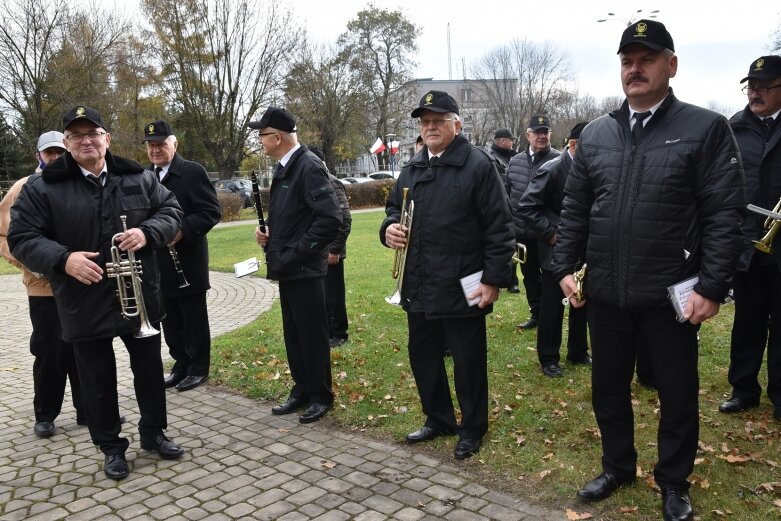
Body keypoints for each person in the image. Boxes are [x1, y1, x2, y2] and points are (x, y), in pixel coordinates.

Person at [552, 21, 745, 521]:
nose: (634, 69)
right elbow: (576, 208)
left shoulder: (704, 128)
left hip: (671, 294)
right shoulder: (596, 134)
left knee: (677, 393)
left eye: (646, 59)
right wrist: (564, 268)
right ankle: (617, 466)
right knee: (607, 388)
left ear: (671, 64)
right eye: (626, 61)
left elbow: (725, 213)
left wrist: (712, 285)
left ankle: (673, 481)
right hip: (609, 291)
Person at [8, 106, 185, 480]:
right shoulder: (43, 187)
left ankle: (154, 433)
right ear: (67, 144)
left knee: (150, 374)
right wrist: (63, 259)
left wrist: (149, 232)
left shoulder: (138, 177)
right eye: (76, 135)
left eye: (93, 133)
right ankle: (111, 447)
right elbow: (23, 237)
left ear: (107, 138)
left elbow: (171, 209)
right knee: (97, 380)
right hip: (81, 299)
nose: (86, 140)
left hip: (139, 297)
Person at [380, 90, 515, 460]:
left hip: (463, 282)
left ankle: (472, 427)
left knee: (468, 360)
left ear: (456, 123)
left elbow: (499, 227)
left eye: (438, 120)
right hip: (419, 280)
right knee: (422, 355)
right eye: (425, 122)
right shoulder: (411, 168)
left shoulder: (478, 165)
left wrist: (493, 279)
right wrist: (388, 228)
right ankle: (437, 417)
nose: (431, 127)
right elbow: (394, 211)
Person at [250, 107, 341, 424]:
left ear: (276, 136)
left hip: (303, 269)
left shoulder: (308, 166)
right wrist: (271, 235)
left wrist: (297, 252)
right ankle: (302, 388)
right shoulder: (285, 167)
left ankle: (320, 394)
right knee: (295, 334)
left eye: (261, 135)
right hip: (288, 267)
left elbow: (330, 220)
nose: (259, 141)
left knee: (312, 335)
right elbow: (296, 217)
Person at [0, 131, 85, 437]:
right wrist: (31, 264)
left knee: (85, 348)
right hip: (43, 288)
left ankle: (88, 410)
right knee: (50, 350)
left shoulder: (79, 183)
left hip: (81, 283)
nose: (56, 158)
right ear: (38, 155)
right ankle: (46, 415)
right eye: (50, 153)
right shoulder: (23, 188)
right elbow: (4, 236)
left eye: (61, 152)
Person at [719, 55, 781, 421]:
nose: (754, 93)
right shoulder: (733, 128)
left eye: (763, 87)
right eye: (750, 87)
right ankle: (743, 390)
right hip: (747, 245)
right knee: (747, 321)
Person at [143, 120, 221, 392]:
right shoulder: (145, 176)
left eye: (161, 144)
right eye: (151, 145)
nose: (156, 150)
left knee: (193, 319)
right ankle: (181, 364)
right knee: (170, 319)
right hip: (158, 261)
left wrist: (182, 231)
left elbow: (211, 212)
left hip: (187, 259)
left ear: (174, 144)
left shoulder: (192, 172)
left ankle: (198, 368)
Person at [519, 122, 590, 378]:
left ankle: (578, 350)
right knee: (552, 306)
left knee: (581, 300)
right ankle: (548, 357)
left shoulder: (591, 168)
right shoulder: (551, 169)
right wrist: (550, 233)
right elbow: (526, 207)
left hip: (585, 249)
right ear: (573, 145)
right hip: (556, 253)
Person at [506, 115, 560, 328]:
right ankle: (536, 314)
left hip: (547, 233)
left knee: (549, 277)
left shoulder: (558, 160)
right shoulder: (515, 161)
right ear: (528, 135)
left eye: (545, 131)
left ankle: (547, 316)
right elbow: (507, 191)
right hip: (522, 232)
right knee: (529, 276)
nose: (542, 136)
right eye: (537, 132)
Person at [308, 145, 352, 348]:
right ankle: (327, 329)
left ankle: (339, 333)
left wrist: (335, 249)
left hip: (332, 251)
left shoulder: (332, 182)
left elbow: (344, 218)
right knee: (322, 294)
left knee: (334, 293)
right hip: (318, 250)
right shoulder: (316, 180)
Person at [488, 128, 520, 293]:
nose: (512, 142)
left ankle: (512, 279)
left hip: (513, 205)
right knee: (504, 244)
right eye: (510, 139)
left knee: (513, 246)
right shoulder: (494, 158)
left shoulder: (512, 156)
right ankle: (506, 279)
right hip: (501, 205)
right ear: (501, 140)